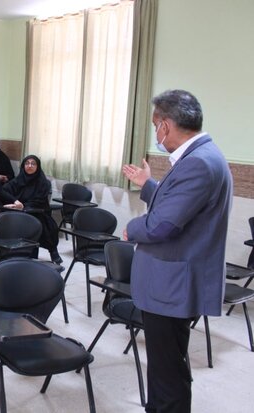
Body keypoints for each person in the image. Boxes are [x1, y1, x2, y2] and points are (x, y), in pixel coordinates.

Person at [122, 90, 232, 413]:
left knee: (169, 377)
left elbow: (162, 225)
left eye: (156, 124)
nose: (156, 132)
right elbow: (179, 206)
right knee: (166, 367)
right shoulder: (201, 156)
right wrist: (148, 185)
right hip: (173, 283)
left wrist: (132, 230)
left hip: (172, 287)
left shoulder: (198, 162)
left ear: (165, 126)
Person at [0, 155, 62, 264]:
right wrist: (14, 202)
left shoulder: (43, 183)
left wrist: (22, 207)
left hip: (38, 212)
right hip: (19, 212)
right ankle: (6, 253)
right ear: (23, 166)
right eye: (27, 163)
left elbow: (39, 202)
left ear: (38, 166)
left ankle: (52, 251)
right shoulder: (18, 180)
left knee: (43, 224)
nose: (30, 166)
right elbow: (2, 191)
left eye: (33, 164)